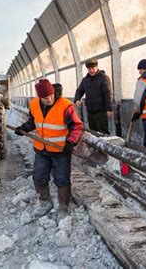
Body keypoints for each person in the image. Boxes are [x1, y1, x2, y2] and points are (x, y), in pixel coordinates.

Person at [15, 79, 83, 219]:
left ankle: (63, 206)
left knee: (62, 179)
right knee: (39, 176)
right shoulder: (34, 104)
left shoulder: (65, 106)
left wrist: (71, 142)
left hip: (60, 151)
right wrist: (24, 128)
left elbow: (77, 126)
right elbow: (33, 121)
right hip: (42, 150)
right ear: (40, 97)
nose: (49, 99)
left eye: (51, 96)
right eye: (45, 98)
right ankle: (44, 202)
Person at [74, 59, 113, 134]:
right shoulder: (85, 80)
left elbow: (108, 94)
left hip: (101, 111)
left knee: (103, 132)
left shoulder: (104, 78)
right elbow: (79, 91)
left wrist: (109, 109)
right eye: (89, 69)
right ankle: (95, 146)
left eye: (93, 68)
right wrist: (77, 99)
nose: (91, 70)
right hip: (90, 111)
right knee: (93, 132)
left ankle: (104, 146)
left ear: (97, 67)